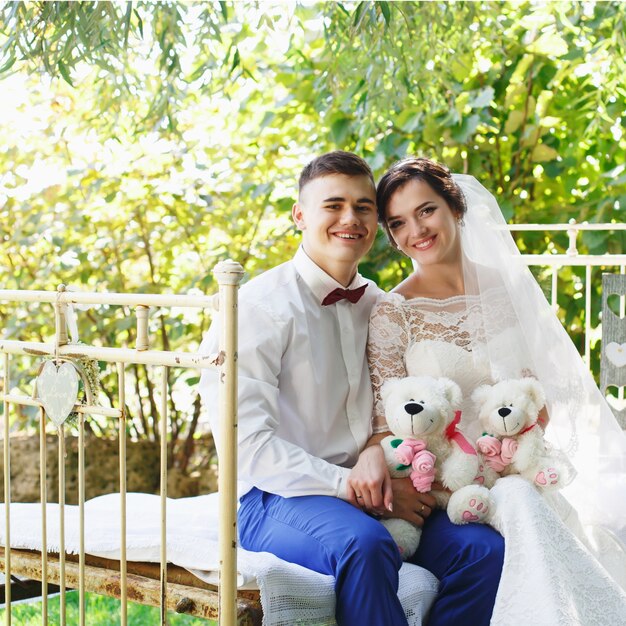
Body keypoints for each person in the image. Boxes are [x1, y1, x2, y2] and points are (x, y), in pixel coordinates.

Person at [199, 151, 503, 626]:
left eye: (364, 207)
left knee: (482, 549)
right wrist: (353, 488)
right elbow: (247, 449)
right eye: (333, 205)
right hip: (277, 498)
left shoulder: (381, 305)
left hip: (378, 488)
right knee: (365, 545)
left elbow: (400, 412)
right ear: (299, 215)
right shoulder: (257, 308)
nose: (351, 218)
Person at [366, 156, 626, 625]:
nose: (416, 231)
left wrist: (520, 444)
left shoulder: (508, 288)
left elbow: (536, 394)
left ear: (456, 207)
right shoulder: (393, 312)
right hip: (448, 483)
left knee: (537, 506)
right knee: (517, 515)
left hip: (515, 467)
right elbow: (388, 424)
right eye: (398, 223)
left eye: (426, 210)